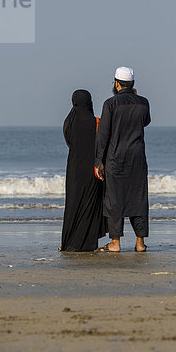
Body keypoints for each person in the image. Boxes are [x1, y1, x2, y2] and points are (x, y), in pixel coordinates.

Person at [94, 67, 151, 252]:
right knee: (139, 198)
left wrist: (98, 161)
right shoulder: (143, 103)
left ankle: (115, 243)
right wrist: (137, 97)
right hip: (137, 158)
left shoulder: (110, 104)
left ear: (116, 83)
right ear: (133, 84)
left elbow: (103, 134)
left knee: (114, 199)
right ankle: (140, 243)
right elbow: (146, 121)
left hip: (115, 158)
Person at [60, 90, 105, 251]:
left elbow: (69, 142)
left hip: (74, 168)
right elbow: (102, 144)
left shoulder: (69, 122)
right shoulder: (96, 122)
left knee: (73, 204)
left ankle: (68, 243)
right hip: (92, 168)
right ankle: (87, 243)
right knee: (90, 204)